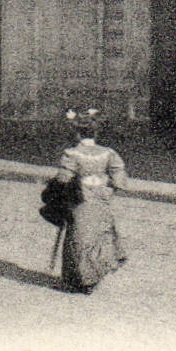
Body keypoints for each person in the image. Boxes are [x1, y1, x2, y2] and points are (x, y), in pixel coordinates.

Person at [54, 108, 129, 294]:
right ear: (95, 133)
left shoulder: (72, 153)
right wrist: (106, 190)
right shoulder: (108, 153)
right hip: (101, 202)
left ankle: (77, 280)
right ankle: (93, 275)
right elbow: (120, 179)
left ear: (77, 133)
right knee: (99, 236)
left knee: (78, 237)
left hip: (79, 201)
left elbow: (63, 179)